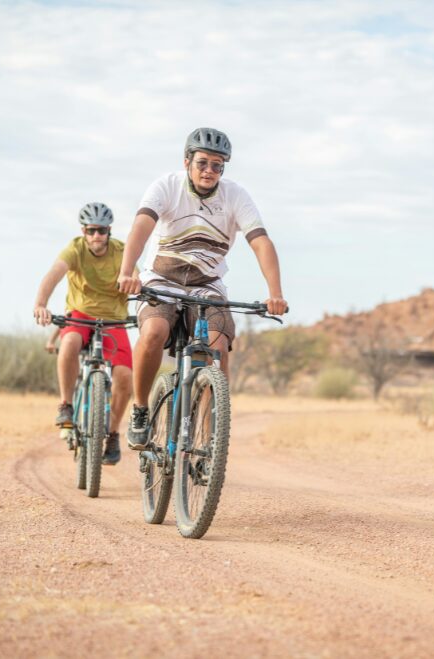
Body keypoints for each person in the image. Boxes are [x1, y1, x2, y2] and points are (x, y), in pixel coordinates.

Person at [117, 127, 287, 450]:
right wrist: (128, 272)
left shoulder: (236, 196)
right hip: (162, 280)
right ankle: (140, 410)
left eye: (217, 165)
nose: (210, 171)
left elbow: (261, 242)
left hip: (207, 286)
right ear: (187, 162)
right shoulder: (166, 187)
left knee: (218, 348)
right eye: (203, 163)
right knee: (153, 331)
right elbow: (141, 227)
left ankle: (210, 440)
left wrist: (275, 293)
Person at [33, 202, 134, 466]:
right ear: (83, 231)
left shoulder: (122, 251)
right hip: (81, 313)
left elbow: (136, 277)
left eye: (101, 231)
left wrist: (136, 283)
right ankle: (66, 405)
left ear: (109, 231)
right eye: (91, 231)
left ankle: (112, 433)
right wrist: (41, 303)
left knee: (125, 376)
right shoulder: (75, 248)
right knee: (69, 344)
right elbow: (53, 275)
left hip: (113, 319)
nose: (96, 237)